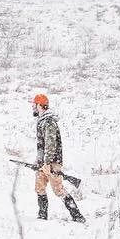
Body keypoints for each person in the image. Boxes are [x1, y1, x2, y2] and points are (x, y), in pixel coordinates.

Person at [31, 93, 86, 223]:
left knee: (58, 190)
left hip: (52, 162)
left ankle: (77, 216)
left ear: (39, 105)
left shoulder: (49, 122)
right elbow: (42, 145)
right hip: (43, 162)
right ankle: (42, 216)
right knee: (39, 187)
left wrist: (47, 162)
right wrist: (38, 161)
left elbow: (50, 144)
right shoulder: (42, 120)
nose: (33, 107)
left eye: (34, 104)